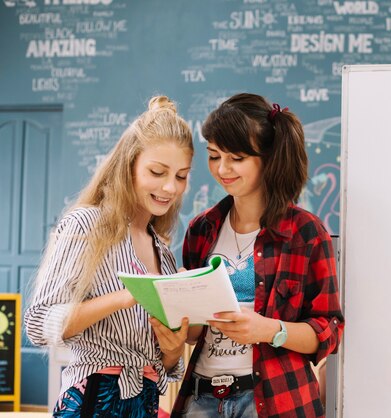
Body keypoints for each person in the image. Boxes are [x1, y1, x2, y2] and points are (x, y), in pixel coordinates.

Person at [171, 93, 344, 418]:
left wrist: (269, 330)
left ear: (268, 158)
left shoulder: (306, 233)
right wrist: (179, 304)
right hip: (203, 398)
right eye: (213, 155)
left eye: (236, 157)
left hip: (274, 400)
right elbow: (196, 334)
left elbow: (328, 330)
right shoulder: (201, 229)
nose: (222, 169)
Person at [24, 96, 193, 417]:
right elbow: (38, 323)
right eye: (157, 172)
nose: (170, 187)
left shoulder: (165, 254)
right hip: (92, 398)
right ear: (129, 166)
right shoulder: (86, 226)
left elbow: (168, 365)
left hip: (146, 402)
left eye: (181, 176)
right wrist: (127, 296)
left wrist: (172, 352)